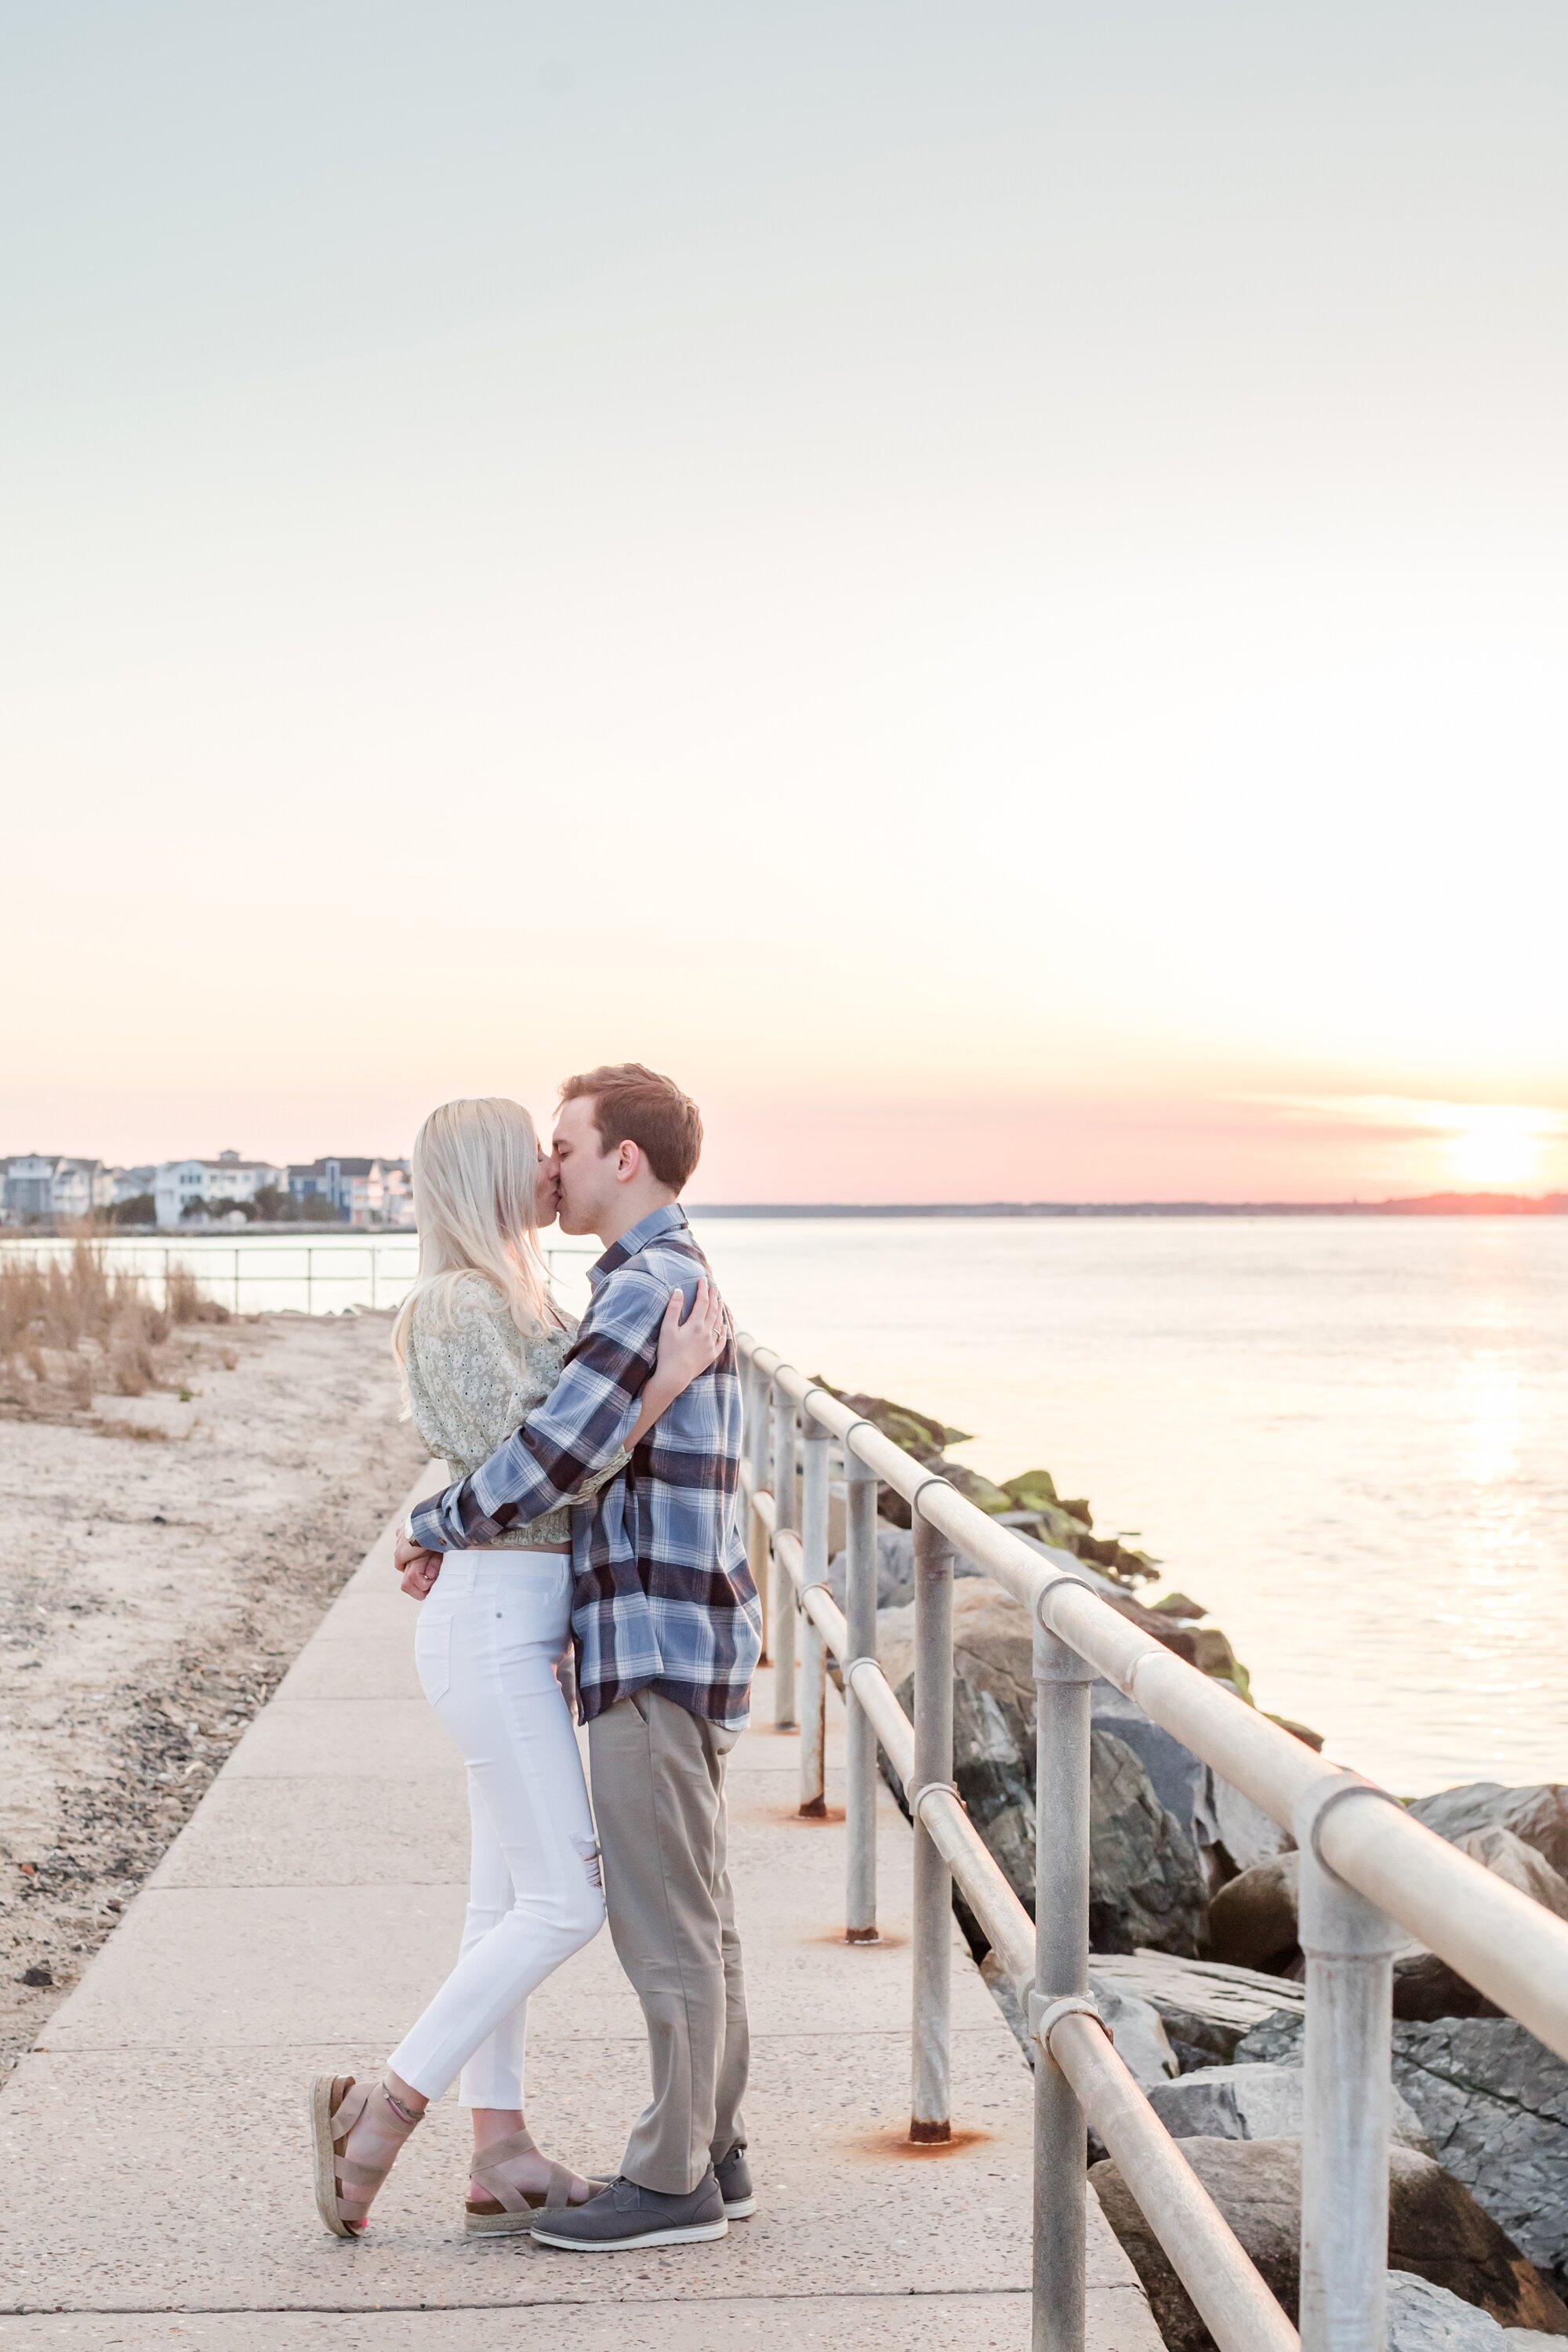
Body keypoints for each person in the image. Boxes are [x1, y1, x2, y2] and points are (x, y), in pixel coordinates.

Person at [310, 1094, 725, 2240]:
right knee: (565, 1900)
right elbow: (550, 1466)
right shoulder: (457, 1305)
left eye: (562, 1148)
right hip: (493, 1620)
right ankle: (383, 2110)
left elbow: (525, 1472)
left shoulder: (525, 1295)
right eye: (534, 1153)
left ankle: (499, 2151)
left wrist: (438, 1522)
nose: (553, 1168)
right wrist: (661, 1387)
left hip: (525, 1624)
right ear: (491, 1174)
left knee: (502, 1899)